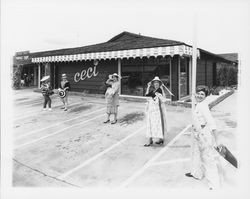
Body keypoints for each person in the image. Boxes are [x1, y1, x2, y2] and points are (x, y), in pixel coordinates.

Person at [185, 85, 221, 190]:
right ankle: (197, 173)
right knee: (196, 154)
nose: (199, 96)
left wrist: (217, 140)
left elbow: (212, 123)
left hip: (204, 136)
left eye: (202, 94)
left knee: (208, 159)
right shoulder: (198, 104)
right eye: (198, 93)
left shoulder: (203, 106)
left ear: (205, 96)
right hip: (198, 134)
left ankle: (214, 185)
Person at [144, 76, 168, 146]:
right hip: (151, 110)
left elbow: (164, 100)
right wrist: (148, 86)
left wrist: (161, 91)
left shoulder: (160, 91)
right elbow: (147, 96)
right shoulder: (153, 90)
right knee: (150, 124)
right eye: (155, 82)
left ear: (159, 83)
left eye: (157, 82)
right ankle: (150, 139)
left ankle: (160, 139)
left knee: (159, 124)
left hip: (158, 111)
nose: (156, 84)